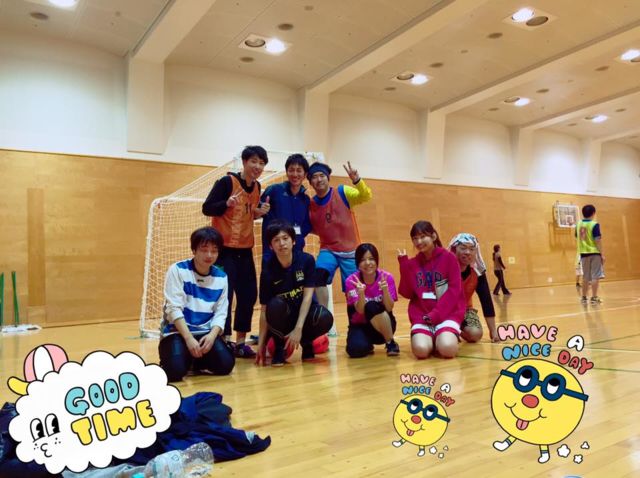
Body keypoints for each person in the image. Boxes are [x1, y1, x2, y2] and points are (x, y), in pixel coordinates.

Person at [202, 145, 271, 358]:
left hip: (245, 251)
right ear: (244, 162)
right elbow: (207, 208)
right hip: (224, 251)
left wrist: (258, 212)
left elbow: (247, 214)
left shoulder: (257, 187)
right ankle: (224, 340)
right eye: (254, 161)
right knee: (225, 296)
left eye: (261, 163)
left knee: (248, 295)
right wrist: (226, 203)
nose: (257, 166)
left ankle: (240, 342)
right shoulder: (226, 182)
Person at [159, 227, 235, 382]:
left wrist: (212, 336)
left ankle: (194, 361)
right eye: (204, 250)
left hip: (205, 333)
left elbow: (221, 312)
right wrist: (188, 338)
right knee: (174, 371)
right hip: (177, 332)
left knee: (226, 365)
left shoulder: (222, 277)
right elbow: (173, 309)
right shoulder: (177, 270)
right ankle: (182, 358)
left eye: (214, 251)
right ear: (194, 250)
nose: (209, 255)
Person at [256, 220, 334, 366]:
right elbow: (264, 310)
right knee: (275, 305)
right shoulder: (268, 270)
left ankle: (307, 342)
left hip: (303, 314)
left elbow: (308, 297)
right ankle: (279, 347)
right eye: (276, 240)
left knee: (325, 317)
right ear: (271, 246)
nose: (282, 243)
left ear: (293, 241)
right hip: (283, 318)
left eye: (285, 238)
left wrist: (298, 329)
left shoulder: (306, 260)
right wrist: (261, 344)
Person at [307, 161, 372, 310]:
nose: (319, 179)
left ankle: (355, 319)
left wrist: (357, 180)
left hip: (350, 252)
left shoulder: (343, 192)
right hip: (328, 251)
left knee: (353, 290)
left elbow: (365, 196)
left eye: (322, 175)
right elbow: (313, 228)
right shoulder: (311, 204)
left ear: (328, 177)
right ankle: (323, 315)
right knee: (318, 275)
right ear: (310, 182)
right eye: (314, 177)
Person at [397, 221, 466, 359]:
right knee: (421, 351)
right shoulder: (412, 263)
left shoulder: (449, 258)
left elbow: (454, 291)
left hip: (446, 314)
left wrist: (436, 314)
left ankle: (443, 337)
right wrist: (404, 266)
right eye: (415, 238)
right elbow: (406, 293)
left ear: (433, 236)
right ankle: (435, 338)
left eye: (423, 236)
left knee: (448, 349)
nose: (419, 241)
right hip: (422, 316)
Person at [344, 243, 400, 358]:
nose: (368, 263)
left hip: (384, 327)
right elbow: (360, 310)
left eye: (371, 259)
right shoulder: (351, 281)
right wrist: (361, 293)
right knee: (355, 350)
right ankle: (367, 344)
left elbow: (389, 307)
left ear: (376, 260)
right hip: (361, 325)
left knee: (372, 306)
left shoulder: (386, 277)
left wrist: (385, 290)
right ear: (357, 263)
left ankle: (390, 342)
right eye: (363, 260)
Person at [260, 153, 312, 266]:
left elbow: (307, 224)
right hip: (272, 252)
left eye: (299, 170)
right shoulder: (274, 190)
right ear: (287, 172)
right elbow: (257, 212)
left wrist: (297, 236)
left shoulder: (306, 199)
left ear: (305, 174)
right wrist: (261, 209)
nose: (295, 174)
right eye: (291, 170)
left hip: (296, 251)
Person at [448, 233, 498, 343]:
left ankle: (457, 330)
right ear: (454, 249)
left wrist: (493, 331)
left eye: (472, 249)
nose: (468, 252)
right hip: (444, 310)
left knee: (475, 334)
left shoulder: (477, 272)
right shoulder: (444, 269)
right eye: (463, 248)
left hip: (465, 309)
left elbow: (486, 300)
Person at [576, 204, 605, 304]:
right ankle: (594, 297)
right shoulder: (594, 224)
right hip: (594, 253)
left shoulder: (578, 224)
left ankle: (584, 298)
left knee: (585, 276)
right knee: (595, 276)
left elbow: (577, 237)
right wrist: (602, 254)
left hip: (583, 253)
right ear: (593, 213)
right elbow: (597, 240)